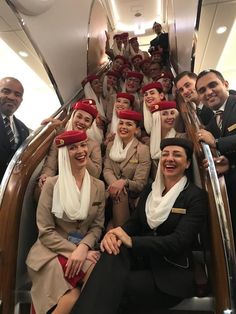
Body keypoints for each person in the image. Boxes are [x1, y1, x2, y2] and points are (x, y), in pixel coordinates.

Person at [70, 137, 208, 314]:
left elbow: (178, 242)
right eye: (165, 154)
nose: (170, 158)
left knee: (112, 286)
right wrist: (116, 233)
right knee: (112, 249)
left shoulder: (194, 196)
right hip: (142, 262)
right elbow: (134, 223)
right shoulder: (151, 190)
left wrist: (132, 241)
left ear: (188, 163)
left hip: (169, 274)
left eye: (177, 155)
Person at [26, 130, 105, 314]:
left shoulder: (99, 186)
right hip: (50, 252)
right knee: (72, 296)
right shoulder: (52, 185)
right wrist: (75, 251)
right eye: (73, 148)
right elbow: (45, 231)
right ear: (63, 153)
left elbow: (97, 226)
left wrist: (84, 247)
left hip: (81, 250)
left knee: (98, 274)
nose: (81, 151)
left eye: (83, 145)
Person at [195, 69, 236, 237]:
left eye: (213, 85)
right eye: (202, 90)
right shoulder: (213, 122)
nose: (208, 92)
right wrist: (229, 165)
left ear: (225, 84)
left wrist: (217, 142)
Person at [38, 99, 102, 190]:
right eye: (79, 117)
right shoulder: (60, 140)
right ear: (73, 117)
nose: (81, 122)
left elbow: (96, 174)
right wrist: (46, 175)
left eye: (87, 120)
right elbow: (50, 165)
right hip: (62, 181)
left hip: (83, 185)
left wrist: (82, 152)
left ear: (90, 125)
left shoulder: (94, 145)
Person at [103, 109, 151, 228]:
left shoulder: (142, 150)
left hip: (131, 196)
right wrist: (115, 185)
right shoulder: (110, 146)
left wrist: (123, 183)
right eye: (121, 123)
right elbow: (107, 170)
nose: (123, 127)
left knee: (121, 194)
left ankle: (119, 231)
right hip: (110, 191)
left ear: (137, 130)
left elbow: (140, 183)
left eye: (129, 124)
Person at [0, 77, 29, 182]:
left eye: (17, 95)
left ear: (21, 100)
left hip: (7, 190)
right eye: (6, 91)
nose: (12, 97)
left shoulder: (23, 129)